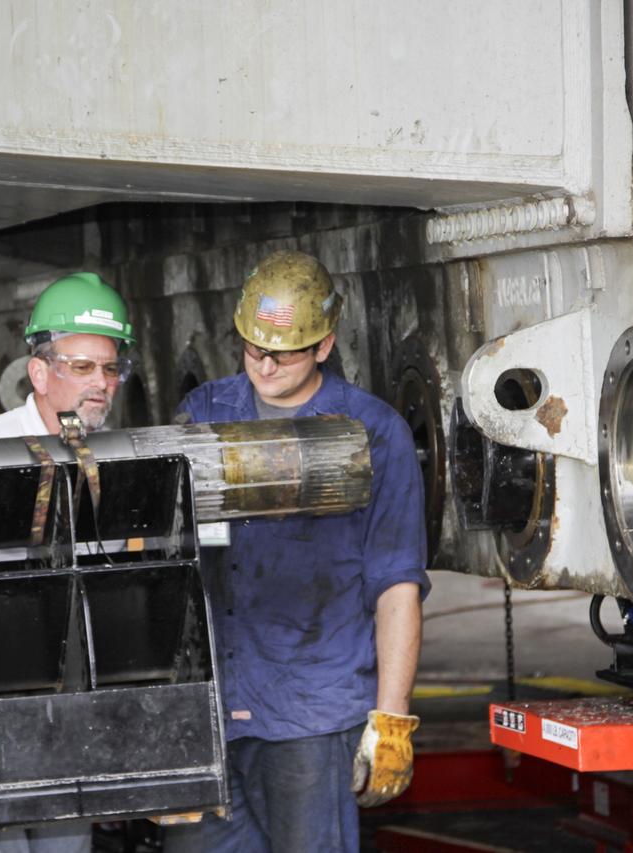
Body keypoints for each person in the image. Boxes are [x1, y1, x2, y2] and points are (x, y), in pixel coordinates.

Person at [164, 250, 429, 853]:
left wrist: (391, 718)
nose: (264, 363)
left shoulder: (370, 432)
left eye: (282, 351)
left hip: (310, 714)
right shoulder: (205, 413)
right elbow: (164, 562)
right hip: (209, 711)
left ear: (324, 345)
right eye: (253, 347)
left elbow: (397, 584)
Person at [0, 271, 136, 852]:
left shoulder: (121, 459)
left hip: (72, 712)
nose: (99, 384)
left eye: (109, 369)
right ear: (39, 372)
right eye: (81, 367)